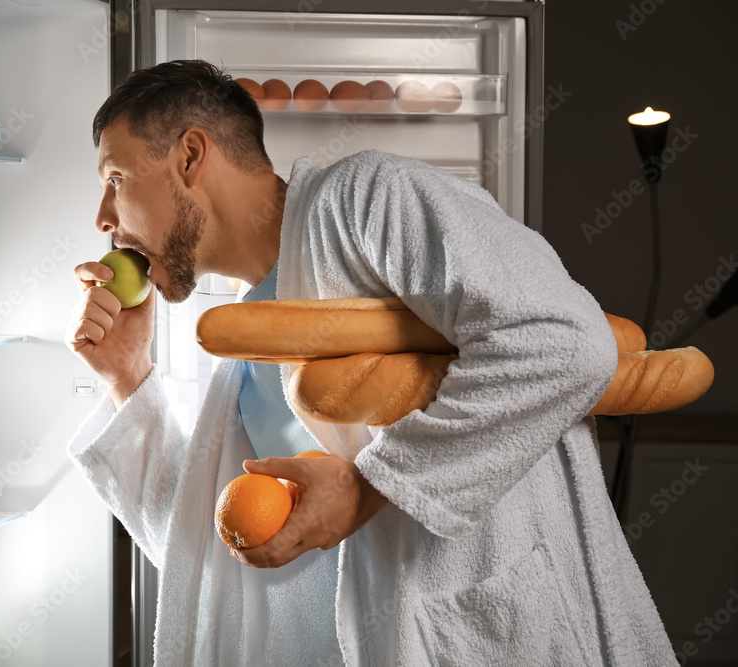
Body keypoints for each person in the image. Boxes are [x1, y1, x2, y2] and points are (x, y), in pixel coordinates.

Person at [66, 59, 677, 666]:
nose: (103, 217)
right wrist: (128, 375)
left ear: (191, 156)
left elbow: (563, 340)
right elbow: (210, 559)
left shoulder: (365, 200)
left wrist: (368, 488)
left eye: (115, 178)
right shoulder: (249, 334)